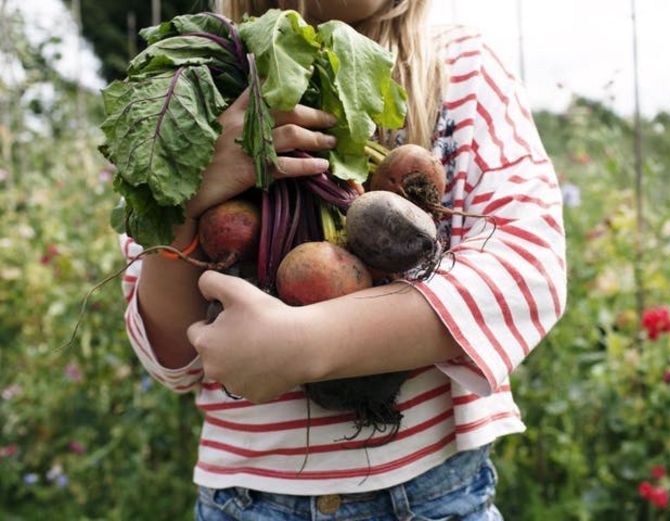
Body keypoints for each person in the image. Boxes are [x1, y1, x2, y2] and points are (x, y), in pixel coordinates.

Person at [119, 0, 567, 519]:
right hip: (245, 502)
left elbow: (528, 269)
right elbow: (172, 361)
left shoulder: (457, 67)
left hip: (433, 497)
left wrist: (309, 343)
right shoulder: (203, 95)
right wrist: (187, 193)